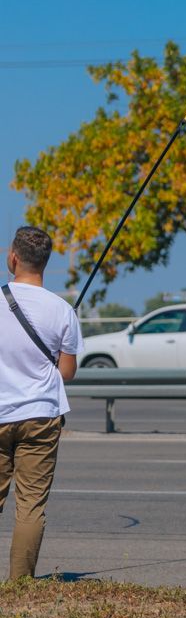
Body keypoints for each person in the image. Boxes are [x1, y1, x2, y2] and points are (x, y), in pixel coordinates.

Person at [0, 226, 82, 579]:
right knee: (30, 505)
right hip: (40, 417)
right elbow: (66, 372)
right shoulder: (62, 311)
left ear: (13, 258)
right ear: (45, 263)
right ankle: (20, 585)